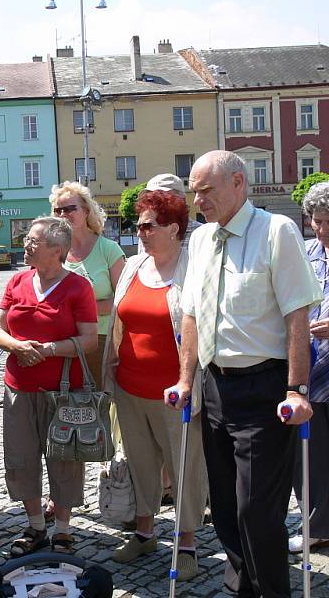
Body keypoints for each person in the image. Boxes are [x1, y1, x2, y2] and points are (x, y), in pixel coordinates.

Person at [166, 150, 321, 598]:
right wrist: (185, 380)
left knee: (257, 510)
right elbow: (191, 315)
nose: (199, 201)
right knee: (228, 509)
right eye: (194, 192)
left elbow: (297, 314)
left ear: (239, 183)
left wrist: (297, 388)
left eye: (206, 190)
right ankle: (242, 589)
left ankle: (272, 591)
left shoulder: (277, 232)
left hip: (264, 387)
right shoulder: (199, 240)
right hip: (215, 386)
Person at [103, 190, 207, 580]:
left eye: (147, 225)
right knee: (141, 463)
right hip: (129, 388)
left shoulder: (192, 269)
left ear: (173, 229)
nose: (140, 232)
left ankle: (187, 544)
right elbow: (120, 322)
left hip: (175, 392)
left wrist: (188, 379)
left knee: (184, 467)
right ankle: (145, 532)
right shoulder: (132, 266)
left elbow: (199, 329)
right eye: (138, 225)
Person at [0, 216, 97, 557]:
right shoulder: (18, 281)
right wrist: (17, 347)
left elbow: (90, 339)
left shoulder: (78, 288)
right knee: (21, 457)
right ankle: (36, 526)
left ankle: (64, 530)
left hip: (63, 391)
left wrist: (49, 349)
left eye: (34, 240)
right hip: (18, 387)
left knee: (64, 457)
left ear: (58, 250)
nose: (26, 244)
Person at [50, 182, 125, 385]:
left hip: (100, 341)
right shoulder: (52, 252)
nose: (64, 214)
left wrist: (78, 312)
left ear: (85, 211)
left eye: (70, 208)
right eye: (58, 210)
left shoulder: (109, 249)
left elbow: (122, 302)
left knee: (98, 404)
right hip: (60, 341)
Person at [291, 181, 329, 553]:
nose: (323, 229)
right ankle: (316, 526)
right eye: (317, 221)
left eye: (328, 221)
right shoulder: (306, 253)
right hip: (312, 370)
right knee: (310, 454)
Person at [137, 173, 202, 253]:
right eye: (149, 198)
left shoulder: (202, 234)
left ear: (181, 200)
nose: (153, 203)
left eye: (161, 197)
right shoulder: (145, 232)